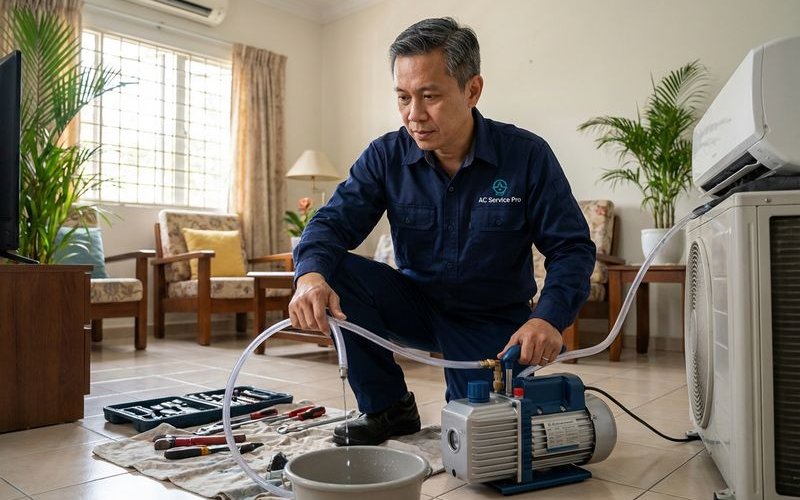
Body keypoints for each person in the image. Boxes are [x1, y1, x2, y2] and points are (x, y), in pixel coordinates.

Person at [289, 17, 596, 446]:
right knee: (329, 267)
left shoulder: (526, 156)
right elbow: (330, 224)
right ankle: (387, 407)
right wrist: (309, 277)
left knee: (481, 443)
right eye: (403, 98)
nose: (414, 115)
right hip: (415, 306)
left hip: (493, 321)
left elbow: (572, 249)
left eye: (429, 96)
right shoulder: (386, 156)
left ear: (472, 90)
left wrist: (547, 319)